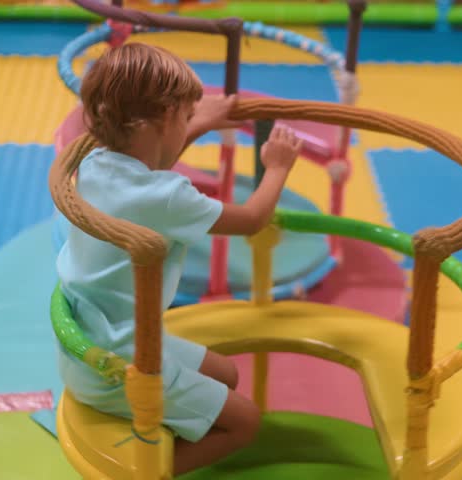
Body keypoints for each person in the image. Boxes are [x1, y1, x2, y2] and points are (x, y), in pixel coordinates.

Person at [55, 43, 303, 474]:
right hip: (122, 363)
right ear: (162, 120)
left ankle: (178, 428)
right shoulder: (167, 197)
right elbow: (250, 219)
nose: (191, 124)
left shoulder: (97, 164)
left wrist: (201, 120)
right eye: (186, 118)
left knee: (225, 374)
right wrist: (277, 167)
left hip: (93, 341)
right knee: (246, 423)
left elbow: (154, 162)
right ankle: (156, 472)